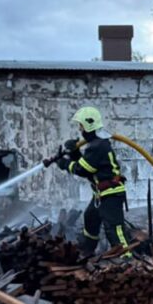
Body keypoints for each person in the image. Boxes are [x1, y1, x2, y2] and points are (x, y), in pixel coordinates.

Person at [56, 106, 132, 258]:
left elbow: (82, 170)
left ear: (88, 126)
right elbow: (88, 165)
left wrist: (64, 163)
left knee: (114, 227)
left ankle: (126, 258)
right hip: (101, 194)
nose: (80, 130)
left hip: (111, 193)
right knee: (90, 217)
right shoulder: (97, 145)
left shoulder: (98, 146)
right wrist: (75, 153)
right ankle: (87, 250)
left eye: (81, 126)